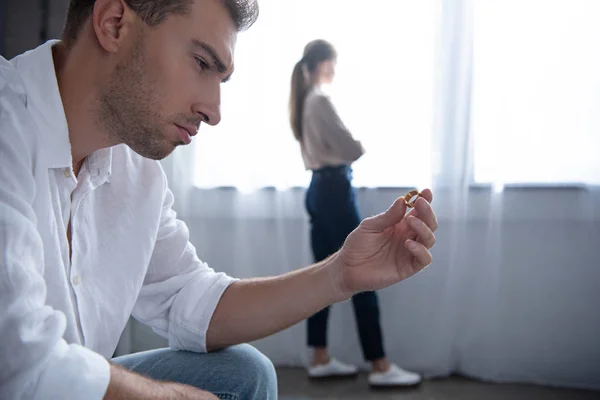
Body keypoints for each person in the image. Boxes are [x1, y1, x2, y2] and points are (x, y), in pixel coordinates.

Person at [0, 1, 438, 399]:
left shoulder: (137, 171)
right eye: (201, 62)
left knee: (244, 373)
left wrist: (341, 274)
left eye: (222, 79)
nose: (214, 110)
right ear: (114, 24)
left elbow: (193, 303)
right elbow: (22, 365)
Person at [289, 39, 424, 387]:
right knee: (366, 271)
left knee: (322, 274)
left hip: (319, 190)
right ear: (321, 64)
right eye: (332, 63)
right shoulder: (320, 100)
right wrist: (359, 145)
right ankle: (379, 366)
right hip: (334, 190)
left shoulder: (305, 101)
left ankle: (319, 357)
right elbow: (351, 148)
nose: (334, 70)